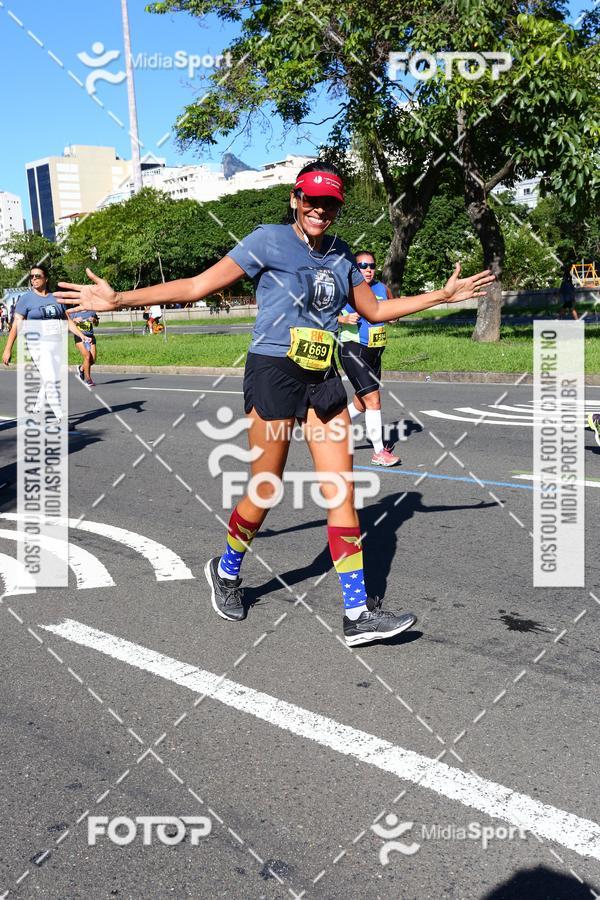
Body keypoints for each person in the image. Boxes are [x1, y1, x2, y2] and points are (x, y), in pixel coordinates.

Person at [55, 161, 494, 647]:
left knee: (342, 492)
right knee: (265, 487)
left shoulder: (343, 255)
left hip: (323, 374)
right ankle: (226, 571)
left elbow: (373, 310)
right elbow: (199, 286)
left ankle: (356, 613)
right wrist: (119, 301)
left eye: (330, 203)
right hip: (273, 371)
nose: (320, 210)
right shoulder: (267, 239)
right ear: (295, 198)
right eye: (312, 200)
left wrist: (442, 295)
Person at [2, 265, 86, 424]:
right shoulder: (26, 299)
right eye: (31, 276)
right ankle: (61, 416)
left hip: (55, 343)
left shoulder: (56, 297)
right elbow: (16, 324)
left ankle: (36, 408)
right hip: (37, 344)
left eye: (37, 276)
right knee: (51, 379)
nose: (34, 279)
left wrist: (81, 335)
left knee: (49, 377)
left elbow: (66, 320)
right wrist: (8, 349)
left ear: (46, 279)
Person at [338, 250, 398, 466]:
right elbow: (321, 315)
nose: (368, 270)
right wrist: (343, 318)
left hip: (375, 351)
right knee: (373, 400)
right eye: (362, 266)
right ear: (355, 267)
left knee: (361, 403)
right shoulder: (345, 287)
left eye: (371, 266)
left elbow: (393, 309)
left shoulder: (382, 288)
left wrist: (393, 317)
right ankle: (379, 452)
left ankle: (330, 429)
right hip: (353, 349)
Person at [69, 308, 99, 386]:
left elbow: (96, 323)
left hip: (90, 337)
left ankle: (81, 368)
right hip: (79, 337)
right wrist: (75, 320)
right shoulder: (74, 312)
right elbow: (68, 323)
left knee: (92, 361)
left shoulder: (91, 311)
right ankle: (88, 379)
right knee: (87, 357)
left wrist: (94, 320)